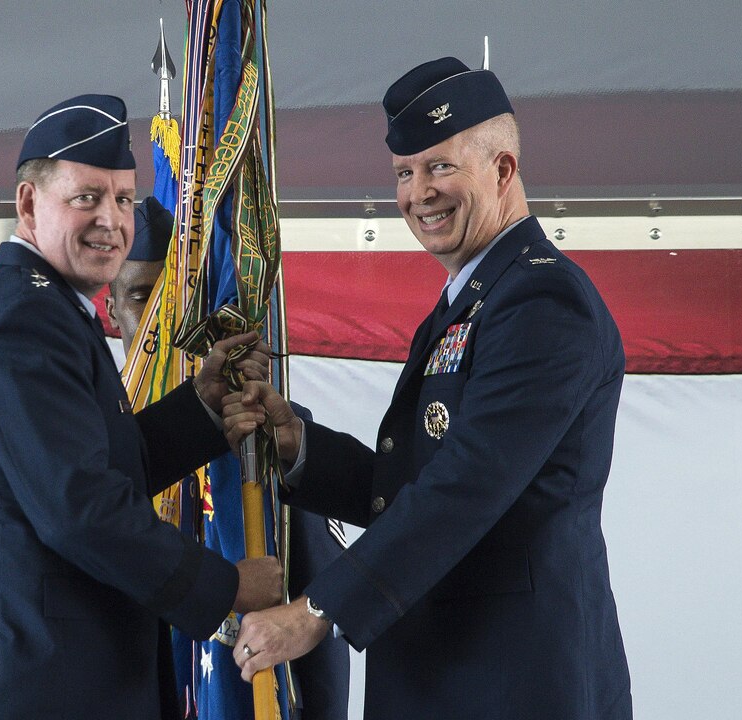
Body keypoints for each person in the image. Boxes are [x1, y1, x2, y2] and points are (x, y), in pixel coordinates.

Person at [222, 57, 634, 719]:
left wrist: (318, 609)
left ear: (502, 170)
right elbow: (416, 484)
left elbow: (468, 486)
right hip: (444, 676)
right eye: (404, 174)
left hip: (510, 681)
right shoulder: (473, 300)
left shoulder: (543, 302)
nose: (419, 193)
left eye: (440, 166)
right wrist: (299, 446)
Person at [0, 94, 283, 720]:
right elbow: (79, 508)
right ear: (29, 204)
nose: (111, 219)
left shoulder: (47, 307)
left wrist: (202, 410)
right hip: (39, 688)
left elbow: (91, 459)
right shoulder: (22, 323)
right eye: (86, 196)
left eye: (122, 197)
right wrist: (225, 586)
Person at [106, 197, 351, 719]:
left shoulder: (264, 430)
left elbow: (316, 605)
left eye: (169, 303)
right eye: (139, 299)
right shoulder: (90, 436)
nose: (156, 322)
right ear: (110, 307)